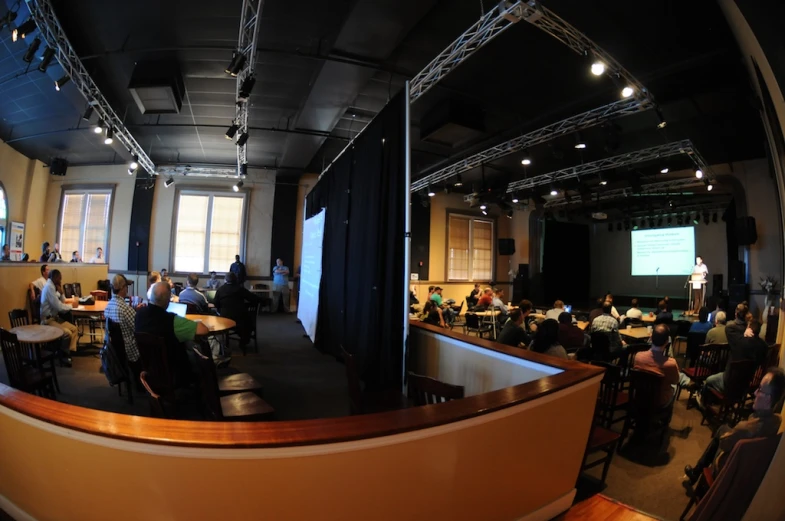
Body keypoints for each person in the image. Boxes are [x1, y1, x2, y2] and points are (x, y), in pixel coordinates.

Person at [684, 368, 784, 485]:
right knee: (724, 429)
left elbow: (724, 443)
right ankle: (697, 471)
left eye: (760, 389)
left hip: (728, 471)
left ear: (768, 399)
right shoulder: (778, 420)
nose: (755, 392)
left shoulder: (745, 428)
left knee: (721, 430)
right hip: (747, 472)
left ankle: (697, 471)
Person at [135, 282, 210, 385]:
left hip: (149, 370)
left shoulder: (139, 314)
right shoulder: (173, 321)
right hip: (175, 373)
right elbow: (204, 330)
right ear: (167, 301)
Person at [701, 318, 768, 406]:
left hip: (728, 383)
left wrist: (745, 332)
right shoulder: (763, 347)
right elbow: (764, 347)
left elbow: (728, 328)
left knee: (708, 381)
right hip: (745, 385)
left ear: (748, 328)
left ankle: (704, 404)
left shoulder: (738, 341)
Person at [633, 324, 689, 408]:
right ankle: (666, 417)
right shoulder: (671, 364)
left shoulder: (638, 356)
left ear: (651, 338)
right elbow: (675, 381)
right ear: (667, 342)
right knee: (676, 382)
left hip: (640, 397)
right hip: (659, 402)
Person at [104, 274, 142, 383]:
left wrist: (133, 310)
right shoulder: (126, 309)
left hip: (114, 350)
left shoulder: (108, 306)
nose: (127, 289)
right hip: (129, 351)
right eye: (126, 287)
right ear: (122, 288)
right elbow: (138, 328)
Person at [214, 271, 261, 348]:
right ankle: (244, 340)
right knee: (248, 321)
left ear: (225, 280)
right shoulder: (240, 289)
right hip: (239, 319)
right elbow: (253, 298)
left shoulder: (220, 289)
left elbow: (215, 303)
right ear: (235, 280)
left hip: (224, 318)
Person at [40, 269, 77, 366]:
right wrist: (72, 307)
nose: (61, 280)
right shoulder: (49, 288)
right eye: (59, 278)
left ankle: (67, 352)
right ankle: (63, 355)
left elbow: (62, 301)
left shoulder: (53, 286)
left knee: (74, 329)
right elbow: (58, 307)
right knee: (67, 333)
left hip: (54, 318)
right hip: (47, 320)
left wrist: (61, 293)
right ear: (55, 278)